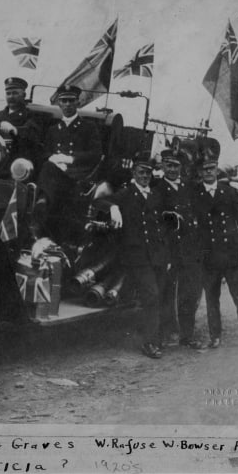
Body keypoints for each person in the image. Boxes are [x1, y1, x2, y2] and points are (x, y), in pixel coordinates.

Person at [194, 150, 238, 348]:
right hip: (209, 256)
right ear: (199, 172)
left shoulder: (229, 192)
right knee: (212, 299)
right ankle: (215, 337)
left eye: (211, 168)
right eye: (204, 169)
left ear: (216, 170)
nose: (208, 172)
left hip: (231, 254)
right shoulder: (195, 194)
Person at [109, 150, 170, 358]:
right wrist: (113, 208)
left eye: (148, 173)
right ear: (133, 173)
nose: (145, 176)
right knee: (151, 296)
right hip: (137, 257)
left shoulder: (155, 195)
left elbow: (163, 224)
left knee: (158, 296)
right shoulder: (125, 194)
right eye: (141, 172)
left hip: (157, 255)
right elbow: (100, 201)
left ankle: (156, 336)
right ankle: (149, 343)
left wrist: (165, 254)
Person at [32, 85, 104, 240]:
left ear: (78, 103)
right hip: (55, 173)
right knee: (47, 165)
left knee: (48, 168)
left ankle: (43, 200)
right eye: (64, 101)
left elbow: (96, 154)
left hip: (78, 174)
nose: (67, 104)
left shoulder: (88, 127)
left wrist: (71, 159)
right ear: (58, 103)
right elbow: (45, 152)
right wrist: (52, 158)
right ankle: (42, 204)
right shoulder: (53, 129)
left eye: (71, 100)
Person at [154, 148, 205, 348]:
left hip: (188, 248)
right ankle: (166, 334)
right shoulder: (156, 187)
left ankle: (187, 335)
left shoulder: (189, 187)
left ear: (182, 168)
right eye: (169, 165)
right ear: (163, 166)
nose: (173, 169)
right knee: (166, 292)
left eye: (176, 166)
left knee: (188, 293)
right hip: (168, 248)